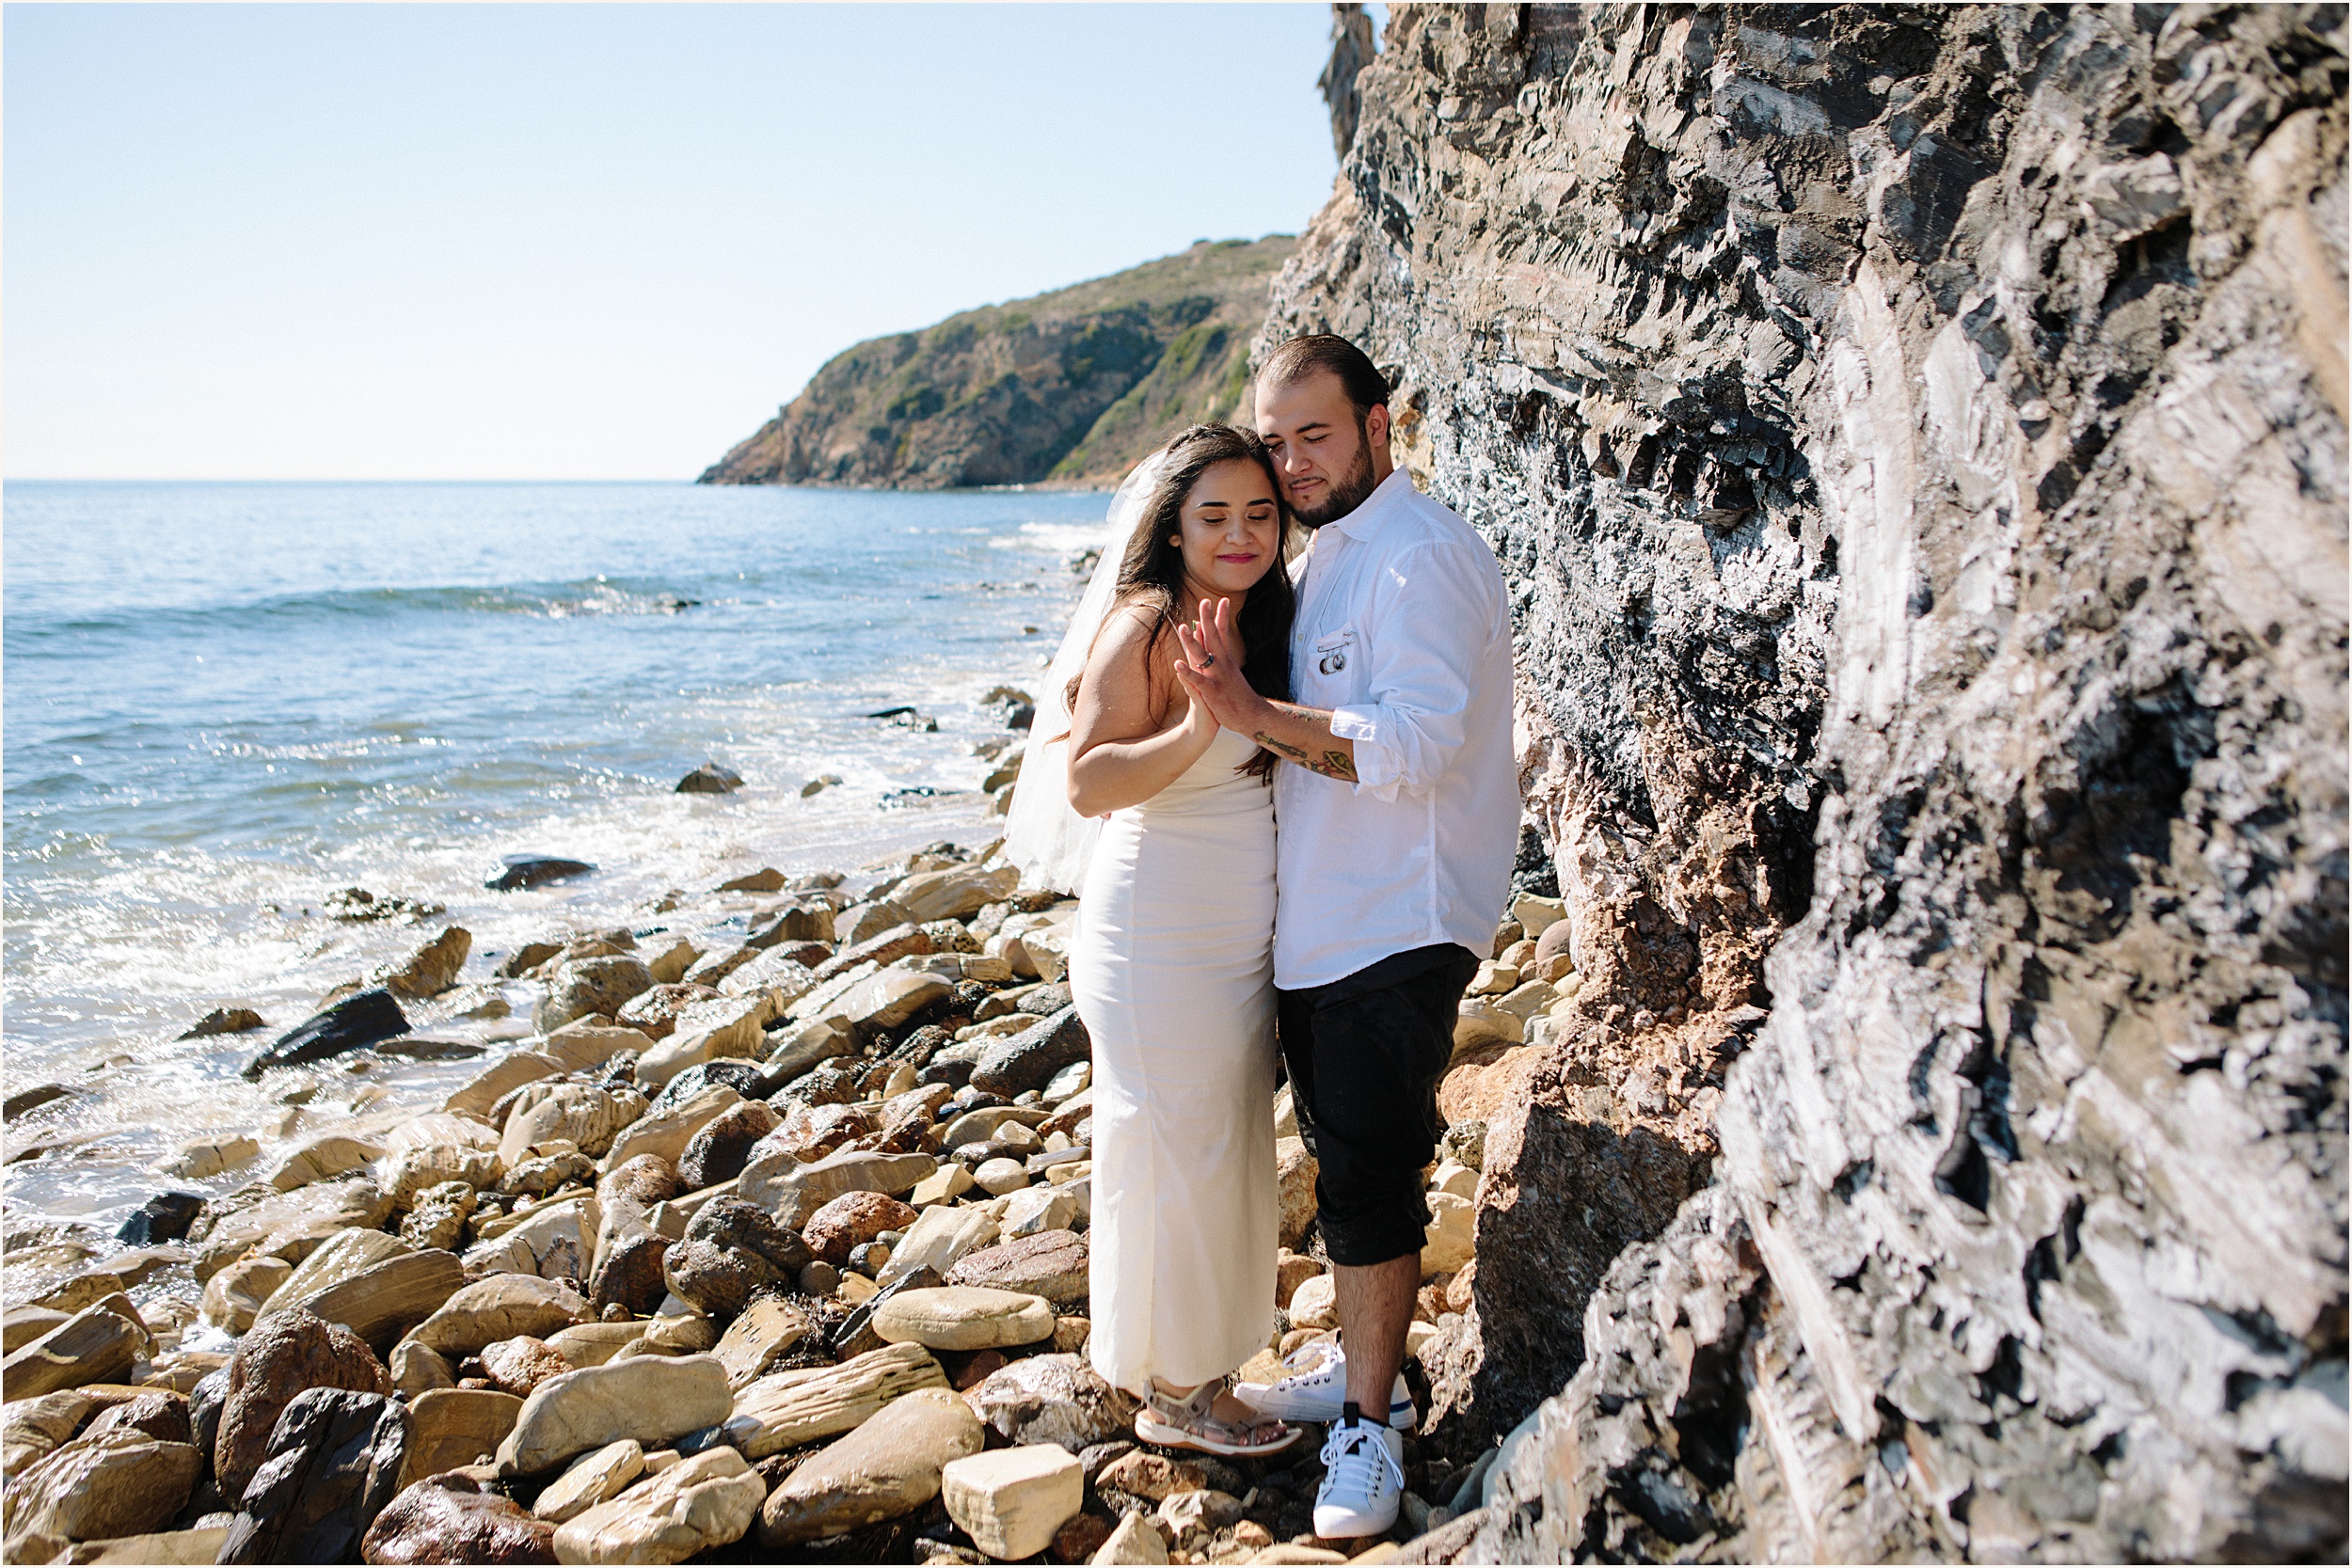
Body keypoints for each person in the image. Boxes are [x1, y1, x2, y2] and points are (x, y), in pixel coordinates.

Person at [1173, 335, 1518, 1536]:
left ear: (1384, 423)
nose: (1292, 461)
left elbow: (1413, 745)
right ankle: (1365, 1366)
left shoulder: (1418, 558)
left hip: (1399, 917)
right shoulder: (1327, 558)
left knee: (1374, 1175)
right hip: (1326, 919)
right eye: (1275, 440)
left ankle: (1370, 1425)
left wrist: (1250, 711)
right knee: (1341, 1162)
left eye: (1314, 434)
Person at [1045, 423, 1304, 1456]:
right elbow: (1089, 779)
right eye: (1214, 515)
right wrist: (1198, 729)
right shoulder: (1147, 625)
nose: (1239, 533)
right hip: (1156, 927)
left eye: (1258, 512)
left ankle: (1207, 1367)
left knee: (1225, 1147)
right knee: (1178, 1152)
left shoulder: (1261, 612)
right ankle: (1179, 1393)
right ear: (1175, 525)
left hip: (1233, 934)